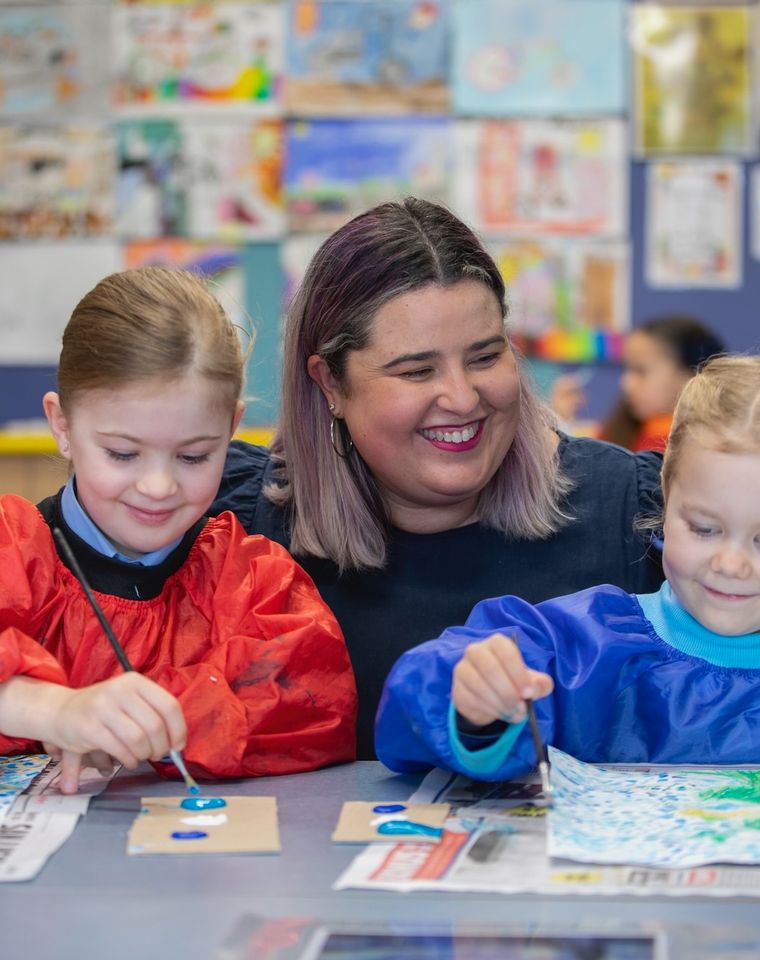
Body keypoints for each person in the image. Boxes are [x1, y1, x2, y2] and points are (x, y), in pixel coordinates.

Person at [211, 197, 665, 760]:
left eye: (484, 357)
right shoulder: (238, 532)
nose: (462, 397)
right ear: (330, 384)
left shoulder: (637, 518)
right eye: (417, 370)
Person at [0, 266, 356, 794]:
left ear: (231, 429)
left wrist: (152, 722)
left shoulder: (251, 580)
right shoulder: (16, 550)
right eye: (122, 453)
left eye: (194, 455)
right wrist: (55, 709)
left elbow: (313, 701)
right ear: (63, 426)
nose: (159, 486)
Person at [375, 356, 760, 780]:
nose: (731, 564)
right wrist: (477, 700)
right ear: (667, 494)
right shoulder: (581, 647)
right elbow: (420, 701)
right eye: (704, 528)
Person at [601, 314, 725, 452]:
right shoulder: (616, 433)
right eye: (627, 369)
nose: (626, 383)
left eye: (641, 371)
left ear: (690, 377)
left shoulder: (708, 445)